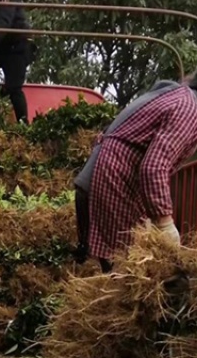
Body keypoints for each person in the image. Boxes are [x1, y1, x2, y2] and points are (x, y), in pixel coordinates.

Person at [86, 61, 197, 270]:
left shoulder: (177, 94)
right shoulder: (189, 111)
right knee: (127, 263)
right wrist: (165, 223)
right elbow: (154, 167)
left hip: (113, 169)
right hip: (118, 176)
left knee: (124, 259)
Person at [74, 79, 179, 261]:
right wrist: (163, 224)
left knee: (97, 250)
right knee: (117, 253)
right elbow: (152, 169)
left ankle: (86, 254)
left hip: (85, 189)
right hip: (97, 188)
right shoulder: (130, 138)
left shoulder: (130, 120)